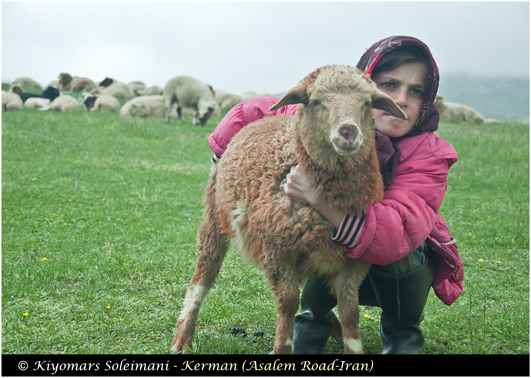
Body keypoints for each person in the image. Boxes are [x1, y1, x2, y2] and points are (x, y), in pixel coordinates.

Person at [207, 35, 464, 354]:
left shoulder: (429, 155)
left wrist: (319, 200)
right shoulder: (328, 119)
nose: (400, 99)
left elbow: (394, 235)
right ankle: (312, 318)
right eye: (389, 85)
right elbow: (256, 111)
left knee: (400, 250)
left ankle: (402, 333)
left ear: (428, 100)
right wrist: (223, 155)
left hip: (394, 260)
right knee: (309, 229)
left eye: (416, 91)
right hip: (334, 253)